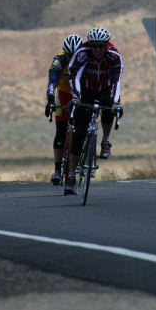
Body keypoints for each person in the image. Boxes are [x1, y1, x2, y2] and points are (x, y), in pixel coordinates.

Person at [63, 27, 124, 195]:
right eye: (94, 46)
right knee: (79, 134)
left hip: (105, 90)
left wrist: (115, 103)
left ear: (107, 45)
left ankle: (105, 140)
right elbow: (74, 76)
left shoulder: (114, 56)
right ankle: (71, 175)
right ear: (90, 44)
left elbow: (116, 81)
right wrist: (76, 96)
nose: (97, 50)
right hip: (86, 92)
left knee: (109, 108)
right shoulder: (83, 53)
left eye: (101, 46)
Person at [46, 33, 84, 185]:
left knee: (82, 126)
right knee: (61, 130)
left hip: (80, 95)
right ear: (65, 53)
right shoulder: (59, 60)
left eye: (75, 55)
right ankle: (57, 169)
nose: (71, 58)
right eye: (69, 55)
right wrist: (49, 99)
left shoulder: (85, 59)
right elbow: (52, 81)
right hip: (62, 94)